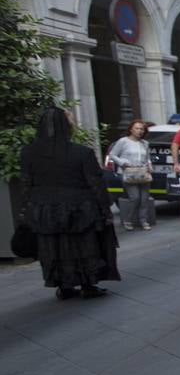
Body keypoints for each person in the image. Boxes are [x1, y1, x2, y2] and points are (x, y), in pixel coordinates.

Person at [17, 108, 119, 299]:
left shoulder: (28, 152)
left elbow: (25, 183)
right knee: (84, 245)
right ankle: (88, 283)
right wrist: (105, 210)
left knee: (53, 247)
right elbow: (95, 182)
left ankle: (64, 285)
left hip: (45, 208)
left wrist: (27, 209)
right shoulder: (81, 153)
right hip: (79, 207)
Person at [107, 117, 154, 230]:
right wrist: (123, 163)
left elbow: (147, 157)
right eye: (137, 128)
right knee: (135, 197)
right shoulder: (123, 141)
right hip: (129, 173)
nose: (139, 131)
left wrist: (149, 164)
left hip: (143, 172)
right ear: (131, 130)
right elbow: (113, 155)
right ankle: (128, 220)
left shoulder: (145, 143)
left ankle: (143, 221)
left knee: (144, 198)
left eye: (141, 129)